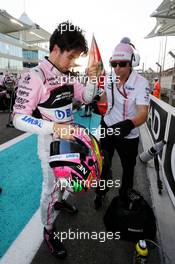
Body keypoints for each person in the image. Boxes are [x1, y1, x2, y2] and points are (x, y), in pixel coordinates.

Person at [13, 21, 99, 259]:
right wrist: (54, 128)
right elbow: (19, 118)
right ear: (56, 49)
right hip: (49, 143)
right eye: (70, 57)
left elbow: (87, 98)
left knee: (66, 180)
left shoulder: (68, 75)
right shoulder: (35, 76)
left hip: (69, 139)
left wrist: (92, 78)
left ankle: (60, 202)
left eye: (76, 59)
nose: (73, 63)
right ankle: (49, 230)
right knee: (50, 188)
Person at [94, 37, 150, 209]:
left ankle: (124, 195)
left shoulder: (142, 83)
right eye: (114, 63)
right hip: (108, 125)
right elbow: (104, 96)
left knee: (128, 169)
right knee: (104, 163)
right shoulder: (110, 77)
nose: (117, 68)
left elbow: (143, 114)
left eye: (122, 63)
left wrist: (127, 125)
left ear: (132, 62)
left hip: (128, 132)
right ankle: (100, 193)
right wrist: (95, 98)